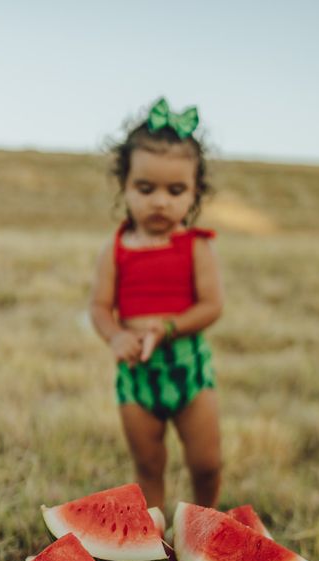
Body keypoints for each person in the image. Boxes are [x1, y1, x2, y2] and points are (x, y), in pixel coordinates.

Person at [89, 97, 223, 512]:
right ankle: (155, 546)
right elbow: (99, 307)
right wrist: (114, 336)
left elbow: (212, 306)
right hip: (136, 374)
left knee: (207, 461)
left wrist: (167, 328)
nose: (160, 201)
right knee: (148, 465)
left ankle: (206, 523)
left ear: (194, 193)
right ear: (125, 187)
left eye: (176, 190)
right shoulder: (116, 249)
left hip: (187, 367)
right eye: (146, 189)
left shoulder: (196, 247)